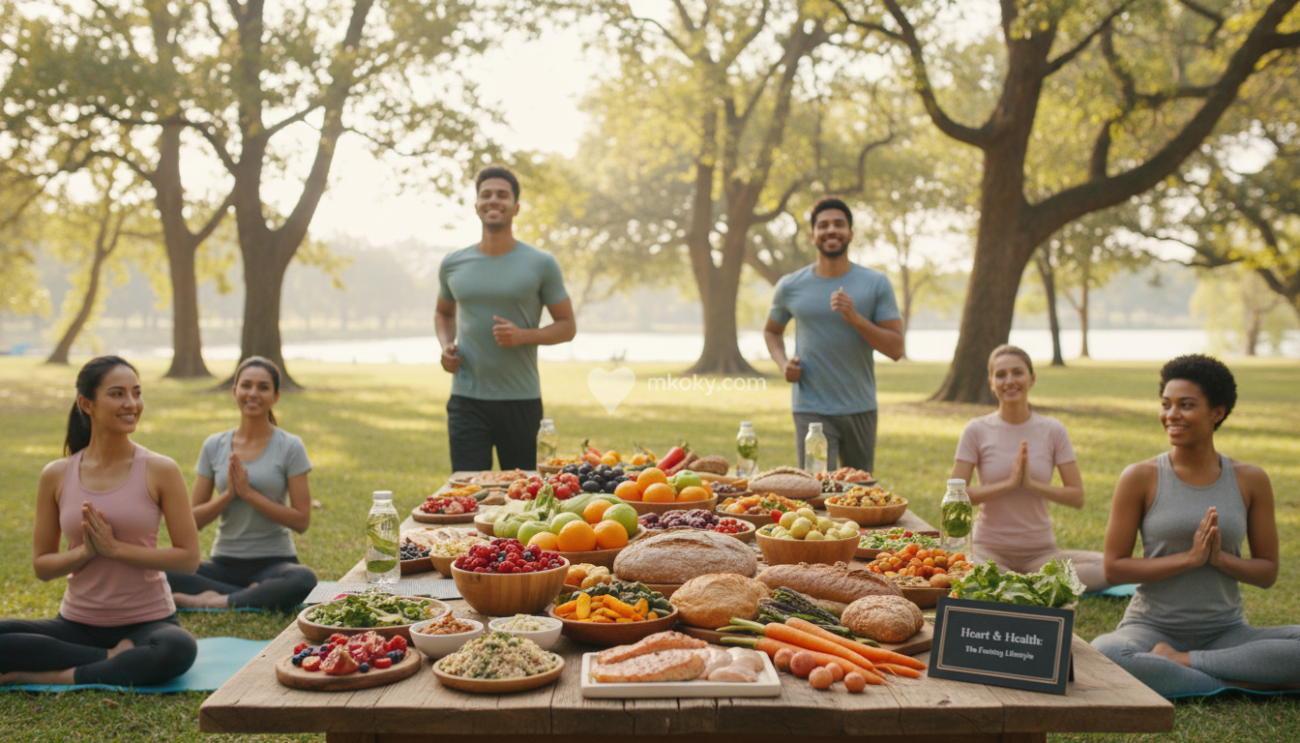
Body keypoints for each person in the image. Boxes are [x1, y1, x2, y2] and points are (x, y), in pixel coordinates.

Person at [1092, 355, 1300, 696]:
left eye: (1186, 405)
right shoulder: (1140, 477)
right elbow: (1114, 570)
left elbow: (1267, 573)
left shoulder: (1251, 480)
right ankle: (1243, 681)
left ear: (1217, 412)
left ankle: (1181, 663)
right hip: (1150, 628)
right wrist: (1189, 559)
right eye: (1166, 404)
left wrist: (1220, 560)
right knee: (1107, 653)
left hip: (1226, 632)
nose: (1171, 415)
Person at [0, 356, 200, 686]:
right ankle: (109, 659)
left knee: (177, 648)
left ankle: (59, 674)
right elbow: (42, 566)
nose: (132, 404)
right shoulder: (57, 474)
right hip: (77, 624)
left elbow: (189, 559)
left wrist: (114, 549)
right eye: (118, 394)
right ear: (86, 404)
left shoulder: (160, 469)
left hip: (147, 623)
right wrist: (85, 553)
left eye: (137, 393)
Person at [436, 164, 576, 472]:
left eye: (502, 194)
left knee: (523, 493)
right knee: (468, 492)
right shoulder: (453, 264)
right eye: (486, 194)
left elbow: (567, 326)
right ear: (476, 205)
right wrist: (446, 346)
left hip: (521, 400)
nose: (493, 200)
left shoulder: (541, 264)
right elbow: (443, 312)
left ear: (516, 207)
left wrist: (525, 335)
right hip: (466, 399)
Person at [950, 345, 1108, 592]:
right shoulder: (977, 429)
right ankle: (1033, 585)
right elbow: (955, 496)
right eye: (1001, 375)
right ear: (991, 382)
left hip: (1041, 553)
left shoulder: (1053, 430)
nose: (1009, 380)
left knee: (1110, 567)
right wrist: (1009, 484)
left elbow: (1077, 497)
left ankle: (1018, 584)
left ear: (1031, 378)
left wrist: (1032, 485)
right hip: (988, 549)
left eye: (1017, 372)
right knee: (961, 568)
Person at [764, 197, 904, 473]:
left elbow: (896, 348)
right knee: (816, 491)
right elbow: (771, 331)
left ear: (850, 233)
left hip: (860, 406)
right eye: (823, 225)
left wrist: (856, 319)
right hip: (811, 408)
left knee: (860, 495)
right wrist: (783, 364)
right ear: (812, 235)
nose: (831, 230)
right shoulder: (790, 286)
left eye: (839, 224)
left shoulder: (875, 283)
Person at [167, 357, 317, 610]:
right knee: (161, 572)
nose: (253, 393)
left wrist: (248, 494)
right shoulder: (214, 445)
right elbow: (193, 520)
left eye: (263, 387)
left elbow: (301, 521)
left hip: (275, 562)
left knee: (304, 579)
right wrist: (227, 496)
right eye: (246, 385)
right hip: (224, 564)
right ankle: (252, 595)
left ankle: (215, 601)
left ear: (276, 396)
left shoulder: (290, 446)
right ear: (234, 391)